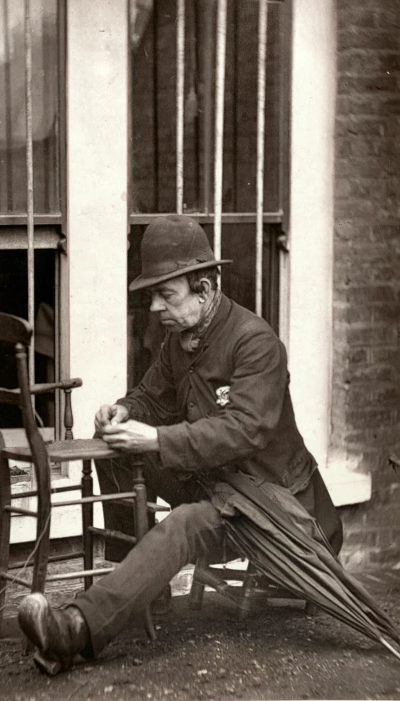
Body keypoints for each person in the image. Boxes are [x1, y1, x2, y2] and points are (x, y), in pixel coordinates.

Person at [18, 215, 343, 674]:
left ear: (206, 290)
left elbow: (245, 430)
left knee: (186, 523)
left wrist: (154, 437)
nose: (154, 307)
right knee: (112, 446)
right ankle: (139, 599)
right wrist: (125, 411)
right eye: (152, 296)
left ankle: (75, 629)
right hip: (220, 490)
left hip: (275, 509)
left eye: (165, 295)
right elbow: (152, 394)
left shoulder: (256, 343)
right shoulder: (178, 339)